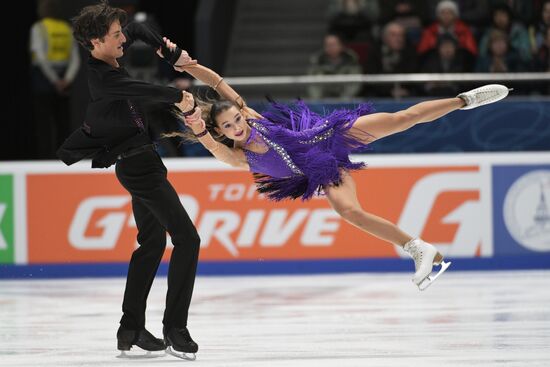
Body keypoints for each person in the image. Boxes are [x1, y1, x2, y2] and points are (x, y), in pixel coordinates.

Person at [161, 42, 510, 290]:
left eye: (237, 118)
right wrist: (196, 121)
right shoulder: (237, 156)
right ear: (222, 132)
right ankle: (418, 248)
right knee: (350, 212)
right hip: (323, 172)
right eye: (230, 127)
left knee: (402, 119)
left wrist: (185, 63)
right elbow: (207, 142)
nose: (239, 126)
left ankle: (465, 100)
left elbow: (218, 82)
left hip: (333, 136)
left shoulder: (254, 118)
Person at [57, 1, 199, 360]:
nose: (123, 39)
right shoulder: (103, 78)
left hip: (143, 161)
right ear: (95, 41)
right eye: (115, 36)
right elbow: (141, 89)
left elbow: (137, 31)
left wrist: (167, 49)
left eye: (121, 33)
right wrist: (179, 97)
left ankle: (131, 328)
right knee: (187, 239)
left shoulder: (112, 50)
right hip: (139, 169)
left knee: (151, 244)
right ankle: (175, 328)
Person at [30, 0, 80, 158]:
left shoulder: (39, 28)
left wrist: (54, 81)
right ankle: (62, 158)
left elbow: (40, 57)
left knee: (44, 123)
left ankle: (45, 158)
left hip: (45, 78)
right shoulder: (66, 28)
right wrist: (67, 79)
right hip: (64, 76)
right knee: (62, 121)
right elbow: (75, 59)